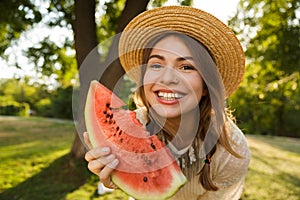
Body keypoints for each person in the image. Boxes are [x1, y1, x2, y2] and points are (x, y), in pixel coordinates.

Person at [84, 6, 250, 200]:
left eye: (186, 67)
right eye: (156, 64)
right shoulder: (132, 124)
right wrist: (121, 178)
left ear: (206, 86)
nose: (168, 78)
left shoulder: (232, 152)